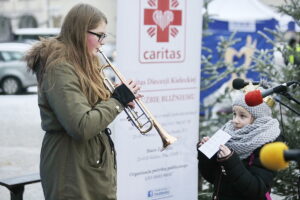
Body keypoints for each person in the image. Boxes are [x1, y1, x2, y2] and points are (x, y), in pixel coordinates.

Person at [25, 3, 141, 200]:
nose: (103, 42)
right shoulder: (60, 68)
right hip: (69, 164)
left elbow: (93, 107)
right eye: (99, 35)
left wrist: (120, 98)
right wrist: (117, 100)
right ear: (80, 32)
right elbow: (81, 125)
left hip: (88, 161)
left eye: (105, 36)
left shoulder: (83, 62)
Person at [198, 91, 282, 200]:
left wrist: (230, 161)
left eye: (242, 116)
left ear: (258, 120)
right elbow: (213, 178)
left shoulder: (268, 144)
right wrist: (206, 155)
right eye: (234, 114)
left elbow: (258, 190)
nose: (235, 121)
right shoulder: (228, 134)